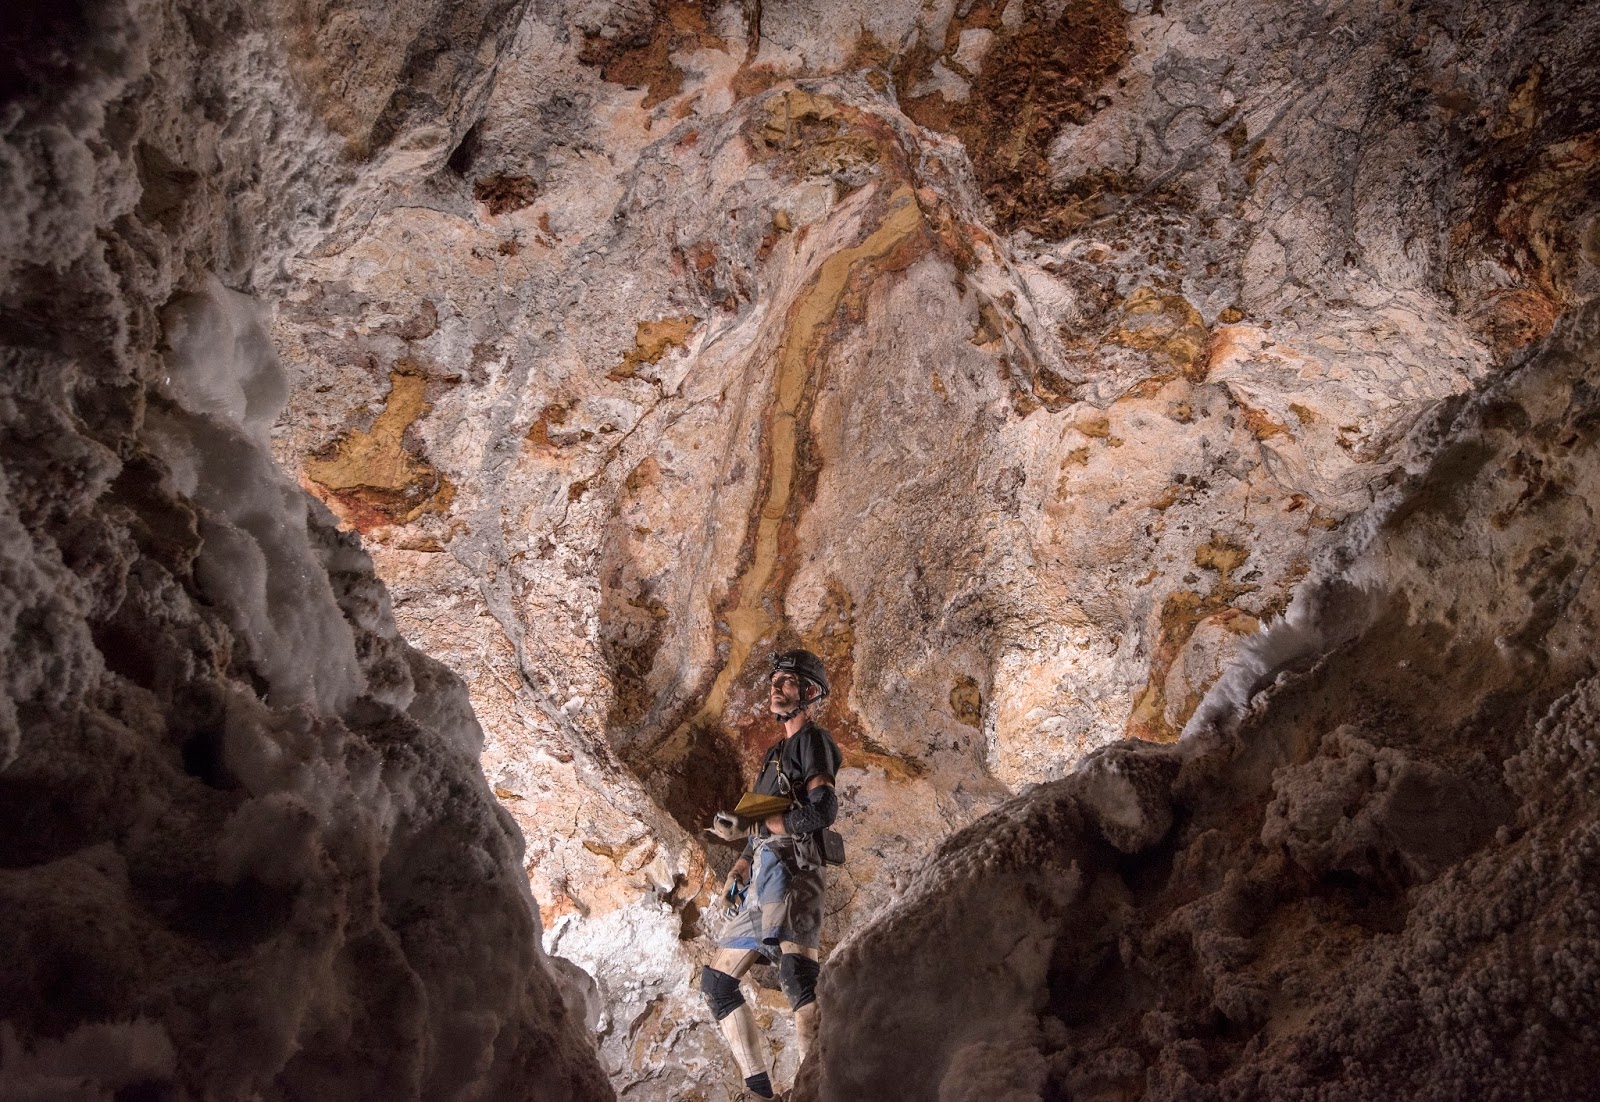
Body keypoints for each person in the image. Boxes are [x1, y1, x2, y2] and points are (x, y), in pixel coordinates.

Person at [701, 649, 843, 1099]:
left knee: (798, 977)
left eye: (787, 681)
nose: (775, 687)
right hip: (763, 868)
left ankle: (812, 1088)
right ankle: (761, 1092)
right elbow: (763, 812)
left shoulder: (812, 741)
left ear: (810, 692)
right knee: (718, 983)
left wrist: (757, 829)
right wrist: (741, 862)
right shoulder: (775, 752)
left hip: (795, 866)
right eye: (774, 680)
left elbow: (823, 808)